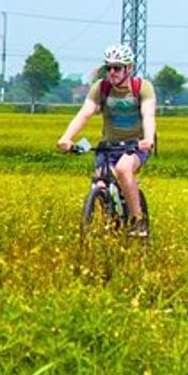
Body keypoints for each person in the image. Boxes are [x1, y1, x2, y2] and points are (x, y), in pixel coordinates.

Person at [58, 44, 157, 236]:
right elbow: (84, 113)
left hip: (135, 145)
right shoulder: (101, 88)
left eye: (117, 68)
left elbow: (148, 115)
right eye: (108, 68)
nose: (112, 72)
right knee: (100, 184)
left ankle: (138, 221)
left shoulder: (142, 87)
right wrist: (67, 138)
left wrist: (148, 139)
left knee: (123, 169)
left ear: (129, 68)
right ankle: (110, 224)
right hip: (109, 147)